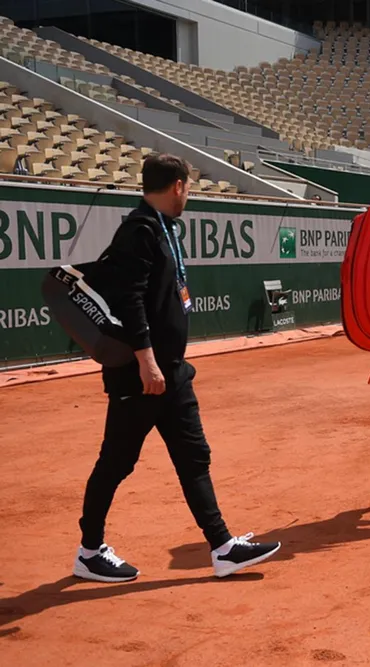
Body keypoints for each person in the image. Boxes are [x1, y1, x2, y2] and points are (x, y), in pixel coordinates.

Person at [73, 154, 281, 583]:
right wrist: (146, 361)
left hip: (172, 373)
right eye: (188, 188)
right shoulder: (141, 229)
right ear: (178, 186)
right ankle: (89, 551)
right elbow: (130, 299)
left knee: (194, 457)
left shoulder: (164, 228)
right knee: (116, 462)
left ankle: (223, 547)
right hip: (142, 376)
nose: (188, 194)